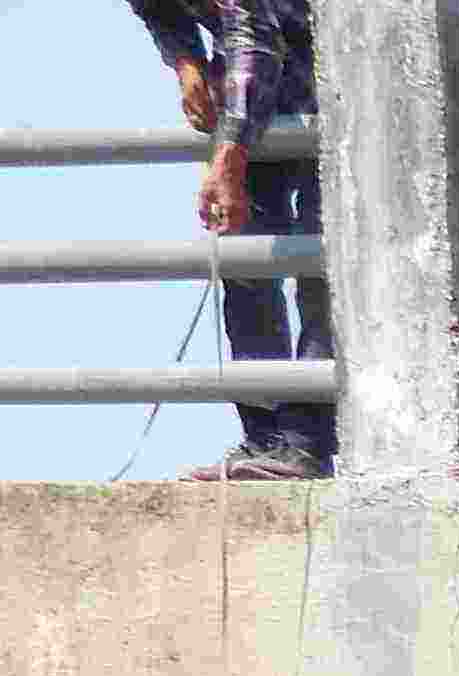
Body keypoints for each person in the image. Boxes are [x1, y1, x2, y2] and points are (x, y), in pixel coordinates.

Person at [129, 2, 333, 477]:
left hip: (332, 79)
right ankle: (264, 438)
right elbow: (158, 9)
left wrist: (229, 155)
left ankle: (307, 442)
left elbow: (255, 33)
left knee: (321, 266)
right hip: (255, 92)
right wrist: (187, 63)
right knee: (245, 264)